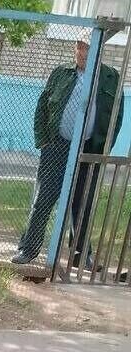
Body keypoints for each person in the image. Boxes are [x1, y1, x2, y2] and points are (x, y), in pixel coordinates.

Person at [12, 38, 125, 268]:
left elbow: (117, 117)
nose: (81, 52)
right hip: (57, 145)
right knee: (43, 199)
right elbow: (42, 108)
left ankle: (81, 255)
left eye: (87, 48)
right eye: (79, 47)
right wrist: (43, 141)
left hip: (89, 148)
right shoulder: (61, 73)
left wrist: (103, 149)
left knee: (83, 202)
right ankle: (28, 249)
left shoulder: (111, 78)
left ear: (99, 50)